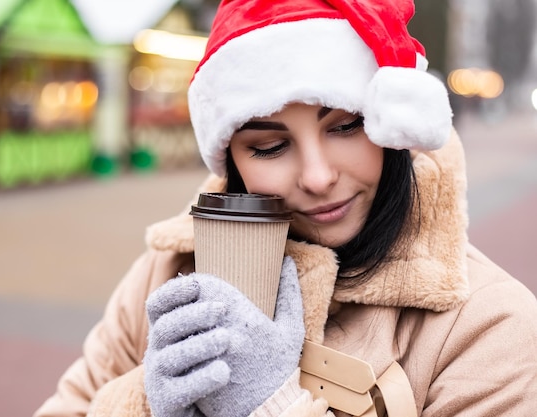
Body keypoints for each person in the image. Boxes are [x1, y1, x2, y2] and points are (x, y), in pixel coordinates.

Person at [34, 0, 537, 416]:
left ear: (394, 127)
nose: (317, 177)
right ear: (230, 159)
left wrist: (271, 402)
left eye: (345, 126)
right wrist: (144, 402)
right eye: (270, 147)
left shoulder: (490, 324)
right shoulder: (168, 271)